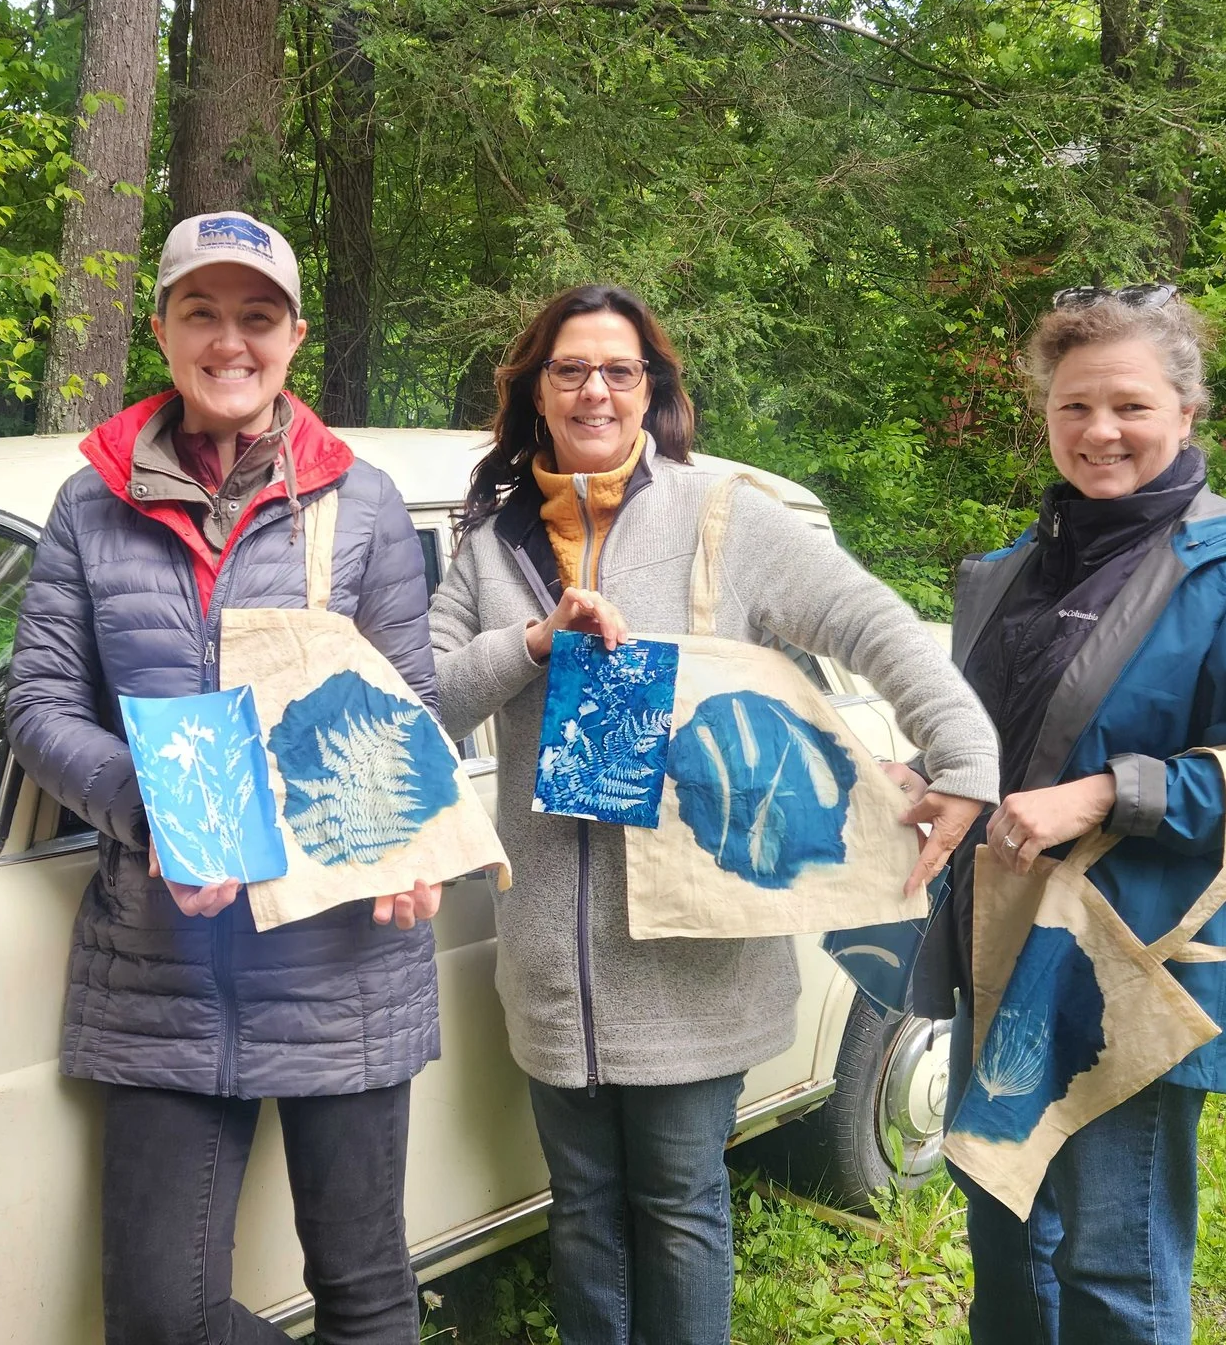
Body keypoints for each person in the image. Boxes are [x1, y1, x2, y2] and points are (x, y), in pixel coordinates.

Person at [427, 282, 999, 1344]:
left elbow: (872, 622)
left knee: (681, 1208)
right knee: (586, 1215)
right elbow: (415, 702)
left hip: (694, 956)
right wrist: (531, 644)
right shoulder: (491, 546)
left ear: (652, 390)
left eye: (619, 370)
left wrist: (963, 754)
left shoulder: (724, 518)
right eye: (569, 370)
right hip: (553, 963)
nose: (594, 389)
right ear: (535, 393)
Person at [6, 211, 443, 1345]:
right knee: (161, 1316)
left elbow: (402, 705)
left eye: (257, 315)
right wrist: (146, 808)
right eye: (201, 311)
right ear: (161, 330)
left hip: (340, 959)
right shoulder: (88, 504)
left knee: (362, 1290)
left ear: (295, 336)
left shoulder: (364, 502)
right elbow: (39, 708)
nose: (229, 339)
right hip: (160, 960)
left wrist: (405, 842)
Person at [912, 284, 1226, 1344]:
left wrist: (1108, 794)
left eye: (1130, 406)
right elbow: (1003, 750)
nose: (1100, 431)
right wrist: (941, 787)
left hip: (1132, 960)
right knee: (1003, 1230)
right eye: (1074, 407)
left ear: (1186, 413)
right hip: (1005, 945)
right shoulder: (1011, 573)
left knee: (1113, 1262)